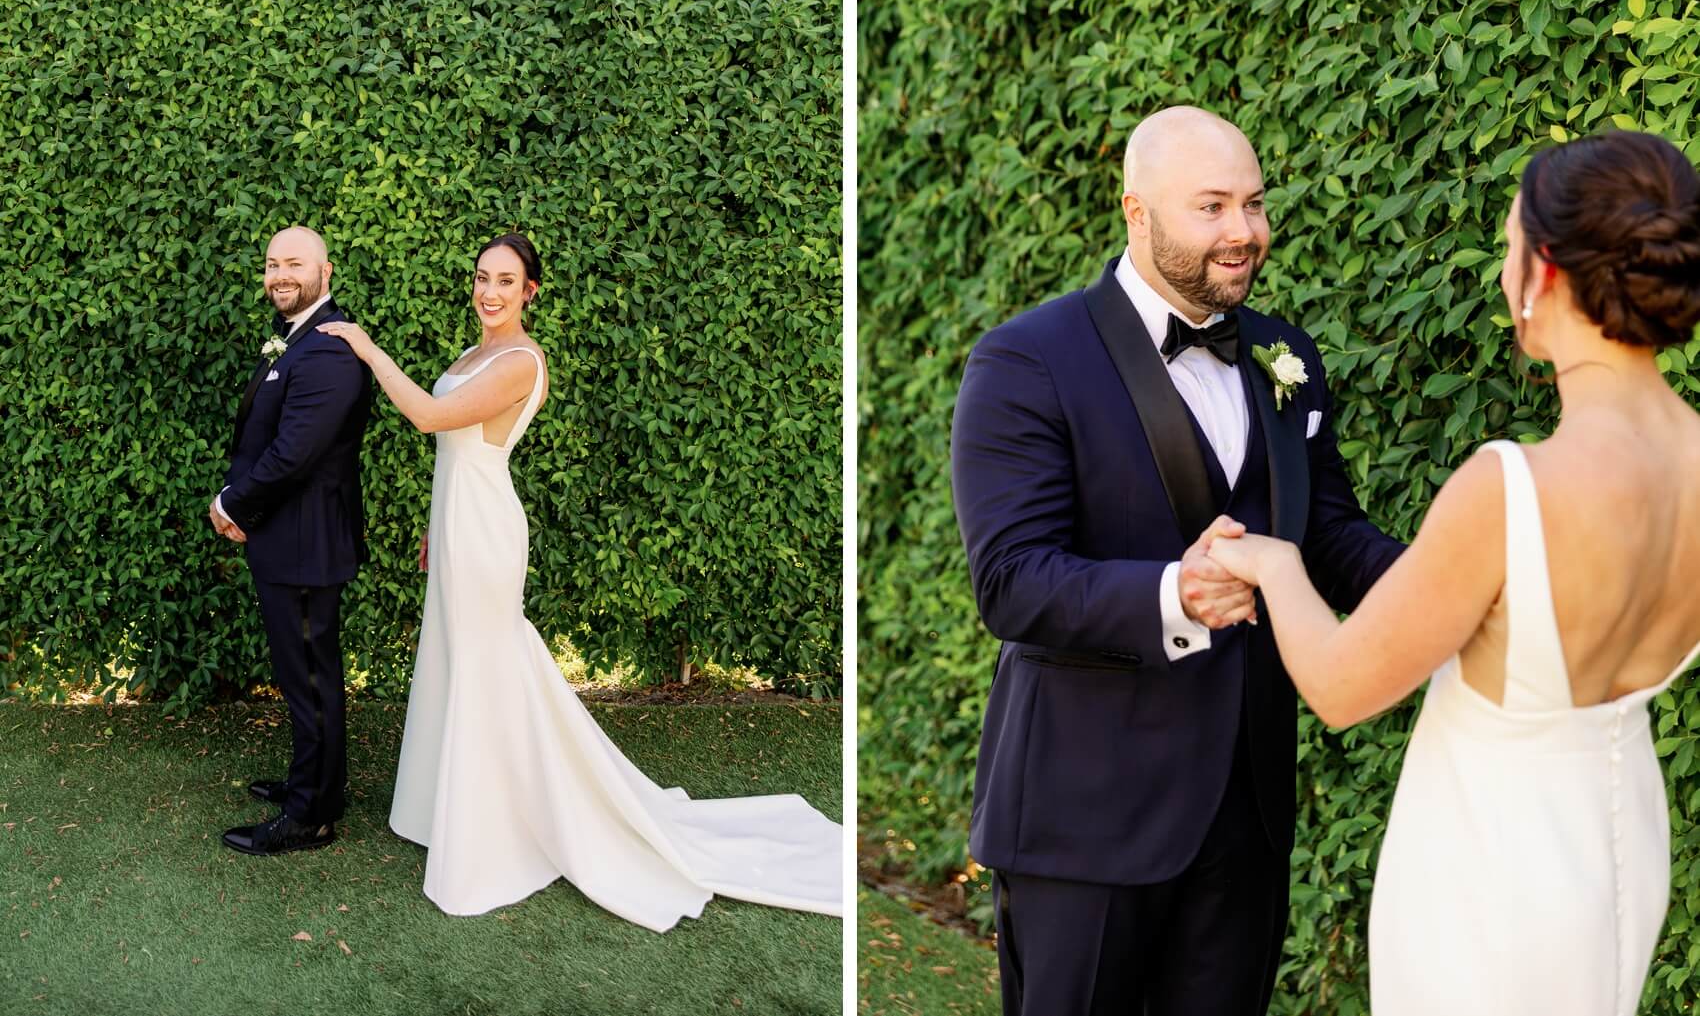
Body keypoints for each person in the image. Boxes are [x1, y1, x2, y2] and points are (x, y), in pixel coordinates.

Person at [1208, 129, 1700, 1015]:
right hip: (1622, 834)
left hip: (1494, 863)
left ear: (1542, 273)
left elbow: (1341, 686)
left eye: (1509, 246)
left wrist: (1276, 565)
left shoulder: (1512, 484)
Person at [950, 105, 1405, 1014]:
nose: (1242, 232)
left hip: (1246, 814)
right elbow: (1011, 580)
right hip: (1084, 820)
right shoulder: (1026, 360)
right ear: (1137, 212)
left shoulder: (1287, 356)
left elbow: (1329, 532)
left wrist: (1451, 579)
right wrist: (1175, 594)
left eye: (1254, 204)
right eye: (1211, 207)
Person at [317, 232, 842, 927]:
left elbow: (429, 416)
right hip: (458, 526)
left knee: (487, 668)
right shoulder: (475, 352)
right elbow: (458, 447)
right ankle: (453, 814)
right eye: (481, 278)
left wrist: (368, 347)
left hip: (486, 536)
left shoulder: (519, 360)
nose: (490, 291)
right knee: (461, 664)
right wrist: (434, 525)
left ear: (530, 290)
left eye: (506, 280)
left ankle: (496, 839)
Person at [213, 225, 374, 856]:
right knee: (303, 674)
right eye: (273, 263)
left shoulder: (330, 350)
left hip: (307, 545)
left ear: (325, 272)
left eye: (295, 263)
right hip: (284, 539)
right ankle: (314, 786)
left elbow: (293, 454)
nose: (281, 273)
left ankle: (312, 817)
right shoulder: (295, 339)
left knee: (310, 679)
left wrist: (231, 502)